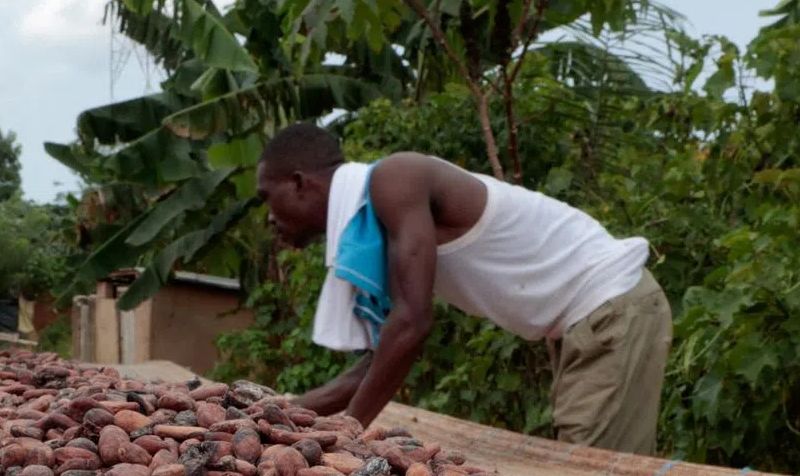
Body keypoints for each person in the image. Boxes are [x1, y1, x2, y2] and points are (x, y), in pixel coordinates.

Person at [256, 124, 672, 454]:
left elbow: (412, 325)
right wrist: (282, 413)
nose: (269, 218)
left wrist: (343, 436)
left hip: (611, 307)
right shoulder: (376, 228)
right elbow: (382, 356)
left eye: (266, 197)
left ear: (298, 183)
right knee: (590, 469)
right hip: (594, 319)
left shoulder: (395, 179)